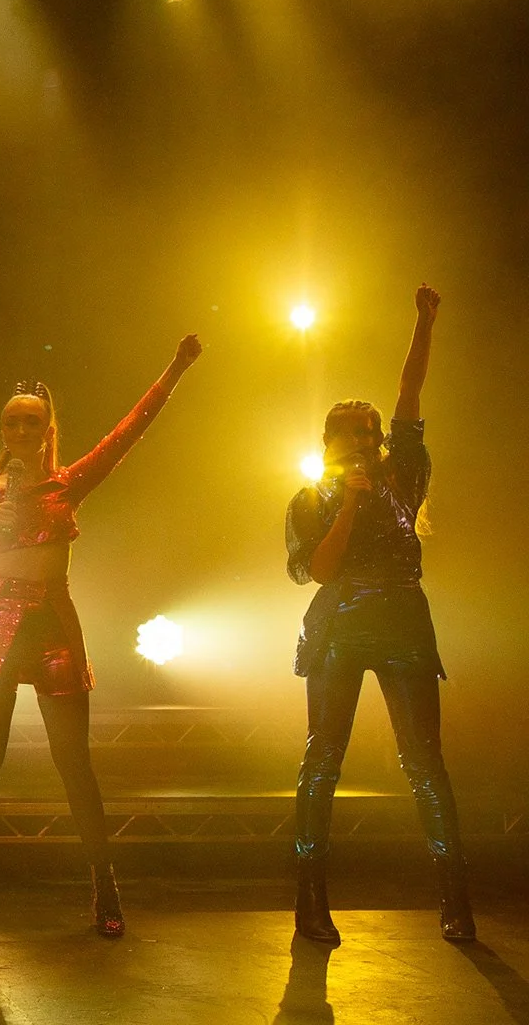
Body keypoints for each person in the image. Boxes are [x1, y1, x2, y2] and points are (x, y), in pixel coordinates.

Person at [0, 335, 201, 938]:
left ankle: (105, 884)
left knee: (74, 762)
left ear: (47, 428)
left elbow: (130, 430)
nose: (21, 429)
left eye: (31, 421)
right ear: (1, 429)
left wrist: (176, 368)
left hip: (52, 621)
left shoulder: (66, 484)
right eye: (12, 421)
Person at [286, 285, 472, 944]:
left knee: (425, 760)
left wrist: (423, 324)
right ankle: (310, 901)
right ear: (329, 440)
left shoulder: (406, 475)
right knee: (323, 760)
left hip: (402, 618)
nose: (365, 438)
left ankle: (455, 898)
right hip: (337, 621)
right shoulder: (310, 498)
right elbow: (322, 568)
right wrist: (346, 504)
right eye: (350, 430)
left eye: (371, 431)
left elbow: (410, 396)